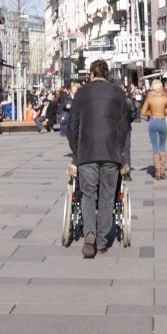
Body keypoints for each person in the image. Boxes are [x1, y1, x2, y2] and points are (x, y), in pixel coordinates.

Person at [66, 59, 130, 258]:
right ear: (107, 74)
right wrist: (120, 151)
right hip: (111, 152)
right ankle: (102, 240)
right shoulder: (117, 92)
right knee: (107, 196)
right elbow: (124, 126)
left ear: (91, 74)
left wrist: (76, 151)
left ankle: (89, 234)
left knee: (88, 194)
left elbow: (72, 126)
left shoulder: (81, 93)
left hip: (87, 152)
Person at [140, 80, 167, 180]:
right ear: (160, 87)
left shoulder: (149, 98)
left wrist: (152, 113)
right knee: (162, 146)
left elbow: (143, 112)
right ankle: (163, 170)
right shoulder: (164, 98)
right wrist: (164, 113)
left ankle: (157, 171)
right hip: (162, 121)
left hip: (153, 121)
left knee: (155, 147)